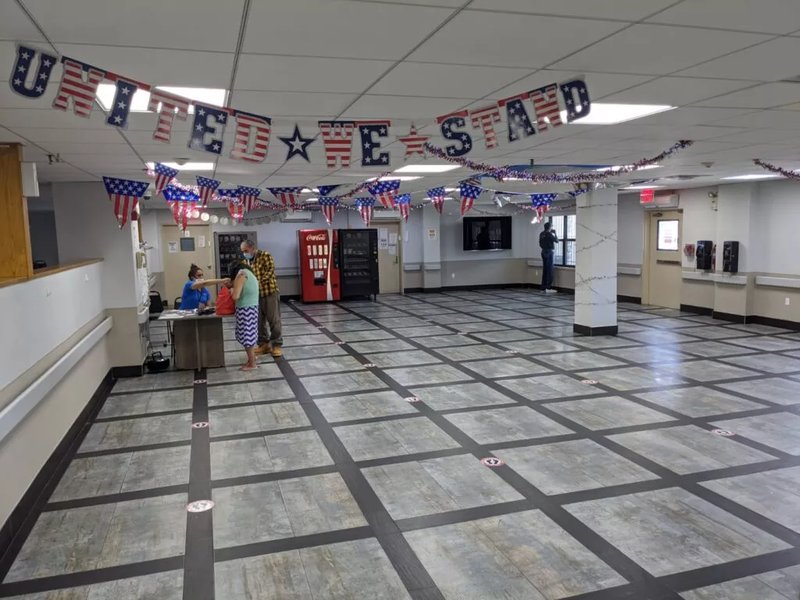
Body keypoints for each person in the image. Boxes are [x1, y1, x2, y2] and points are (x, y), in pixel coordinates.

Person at [240, 239, 283, 358]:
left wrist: (254, 283)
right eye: (242, 251)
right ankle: (264, 344)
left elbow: (269, 273)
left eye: (246, 251)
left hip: (269, 292)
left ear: (252, 248)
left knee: (274, 320)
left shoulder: (265, 256)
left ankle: (276, 344)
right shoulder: (245, 262)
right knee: (259, 322)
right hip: (255, 296)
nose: (244, 253)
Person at [229, 261, 260, 370]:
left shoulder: (241, 274)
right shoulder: (250, 274)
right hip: (253, 307)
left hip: (245, 309)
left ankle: (252, 364)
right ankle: (252, 359)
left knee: (247, 336)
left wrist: (231, 289)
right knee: (250, 334)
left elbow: (235, 296)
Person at [539, 222, 558, 294]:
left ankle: (543, 287)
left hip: (543, 252)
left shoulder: (541, 234)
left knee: (545, 270)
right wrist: (555, 233)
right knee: (550, 270)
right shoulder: (549, 234)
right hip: (549, 252)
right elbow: (557, 241)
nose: (552, 228)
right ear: (549, 227)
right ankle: (548, 287)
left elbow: (540, 244)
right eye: (551, 226)